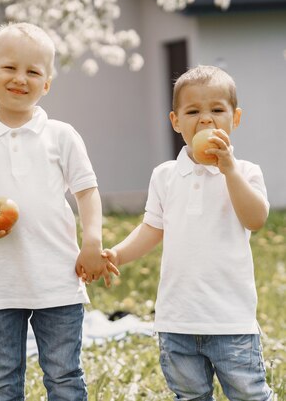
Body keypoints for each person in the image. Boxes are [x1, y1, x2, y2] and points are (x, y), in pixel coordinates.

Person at [0, 22, 117, 401]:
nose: (20, 78)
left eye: (33, 71)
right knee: (2, 379)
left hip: (57, 279)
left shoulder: (62, 135)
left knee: (64, 377)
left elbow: (88, 192)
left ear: (47, 83)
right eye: (9, 68)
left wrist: (92, 242)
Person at [102, 65, 273, 400]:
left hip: (230, 322)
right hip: (176, 320)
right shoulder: (166, 175)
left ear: (235, 119)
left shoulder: (246, 172)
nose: (206, 119)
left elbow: (255, 219)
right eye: (193, 111)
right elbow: (151, 228)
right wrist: (118, 253)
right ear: (176, 121)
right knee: (189, 396)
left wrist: (229, 172)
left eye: (217, 110)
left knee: (249, 394)